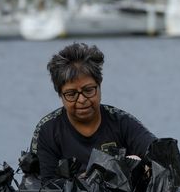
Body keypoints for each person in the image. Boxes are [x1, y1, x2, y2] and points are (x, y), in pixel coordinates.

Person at [29, 42, 157, 179]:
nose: (82, 100)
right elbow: (43, 187)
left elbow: (161, 154)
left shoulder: (122, 122)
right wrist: (86, 181)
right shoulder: (48, 131)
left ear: (99, 86)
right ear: (60, 95)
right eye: (71, 94)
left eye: (88, 90)